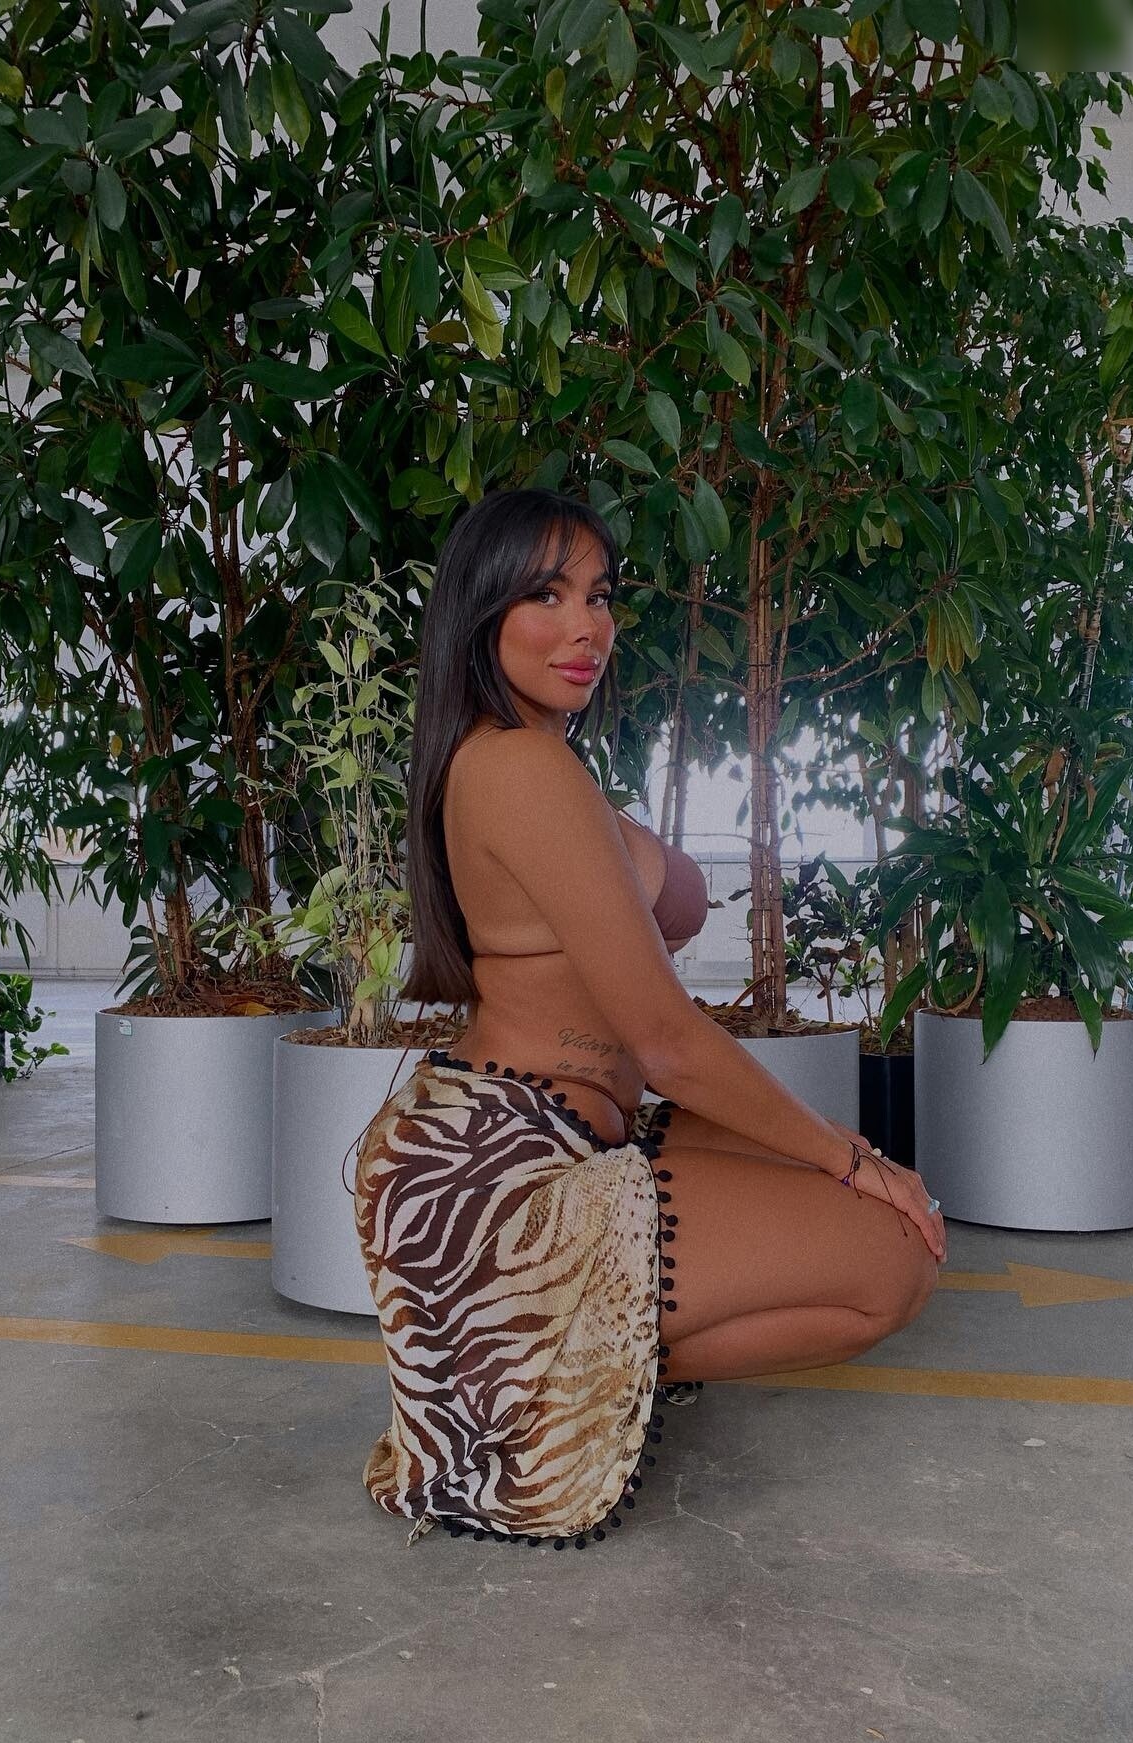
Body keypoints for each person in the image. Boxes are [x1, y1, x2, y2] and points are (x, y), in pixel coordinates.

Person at [351, 487, 945, 1551]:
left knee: (826, 1180)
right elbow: (668, 1042)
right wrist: (855, 1159)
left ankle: (560, 1361)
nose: (587, 627)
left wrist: (838, 1152)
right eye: (546, 595)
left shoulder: (528, 755)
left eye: (600, 595)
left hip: (547, 1134)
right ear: (481, 612)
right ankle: (546, 1376)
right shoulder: (518, 765)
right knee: (888, 1257)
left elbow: (667, 909)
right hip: (503, 1186)